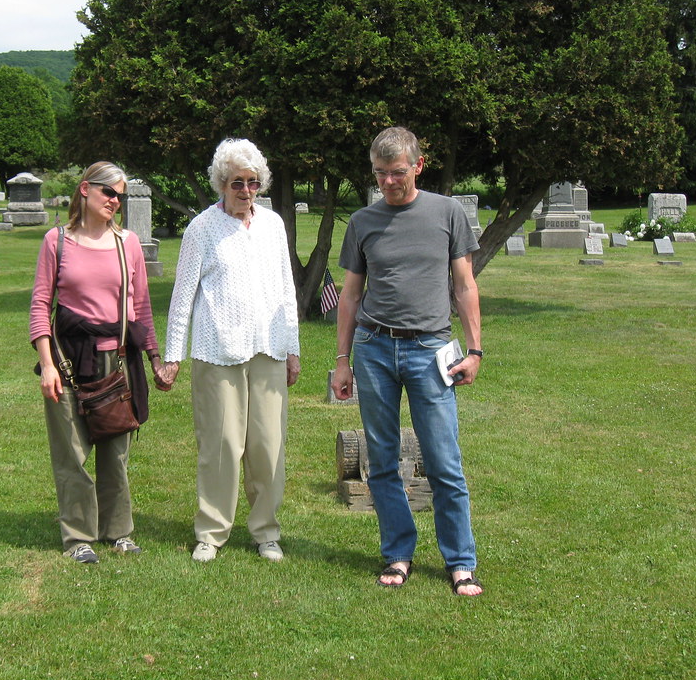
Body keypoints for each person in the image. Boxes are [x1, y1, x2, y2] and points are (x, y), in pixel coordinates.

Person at [332, 127, 484, 596]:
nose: (389, 183)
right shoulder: (363, 220)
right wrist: (343, 360)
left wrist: (474, 349)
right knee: (381, 459)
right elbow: (351, 294)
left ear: (418, 165)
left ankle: (460, 561)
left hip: (429, 349)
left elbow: (463, 286)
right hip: (375, 349)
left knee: (443, 460)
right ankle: (398, 553)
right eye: (380, 174)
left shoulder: (447, 212)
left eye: (397, 173)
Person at [159, 138, 300, 563]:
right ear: (222, 183)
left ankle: (266, 531)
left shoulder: (274, 225)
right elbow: (183, 296)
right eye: (237, 183)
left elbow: (285, 288)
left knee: (268, 443)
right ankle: (211, 531)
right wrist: (172, 355)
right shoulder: (201, 228)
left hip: (269, 348)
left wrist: (292, 347)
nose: (245, 191)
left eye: (253, 182)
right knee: (221, 443)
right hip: (216, 347)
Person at [29, 161, 166, 564]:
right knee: (72, 452)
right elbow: (40, 304)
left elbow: (140, 307)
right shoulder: (57, 241)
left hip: (117, 359)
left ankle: (119, 531)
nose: (115, 201)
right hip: (69, 361)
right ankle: (78, 537)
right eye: (109, 192)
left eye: (120, 196)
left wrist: (155, 357)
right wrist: (48, 364)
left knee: (116, 450)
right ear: (86, 190)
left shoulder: (129, 244)